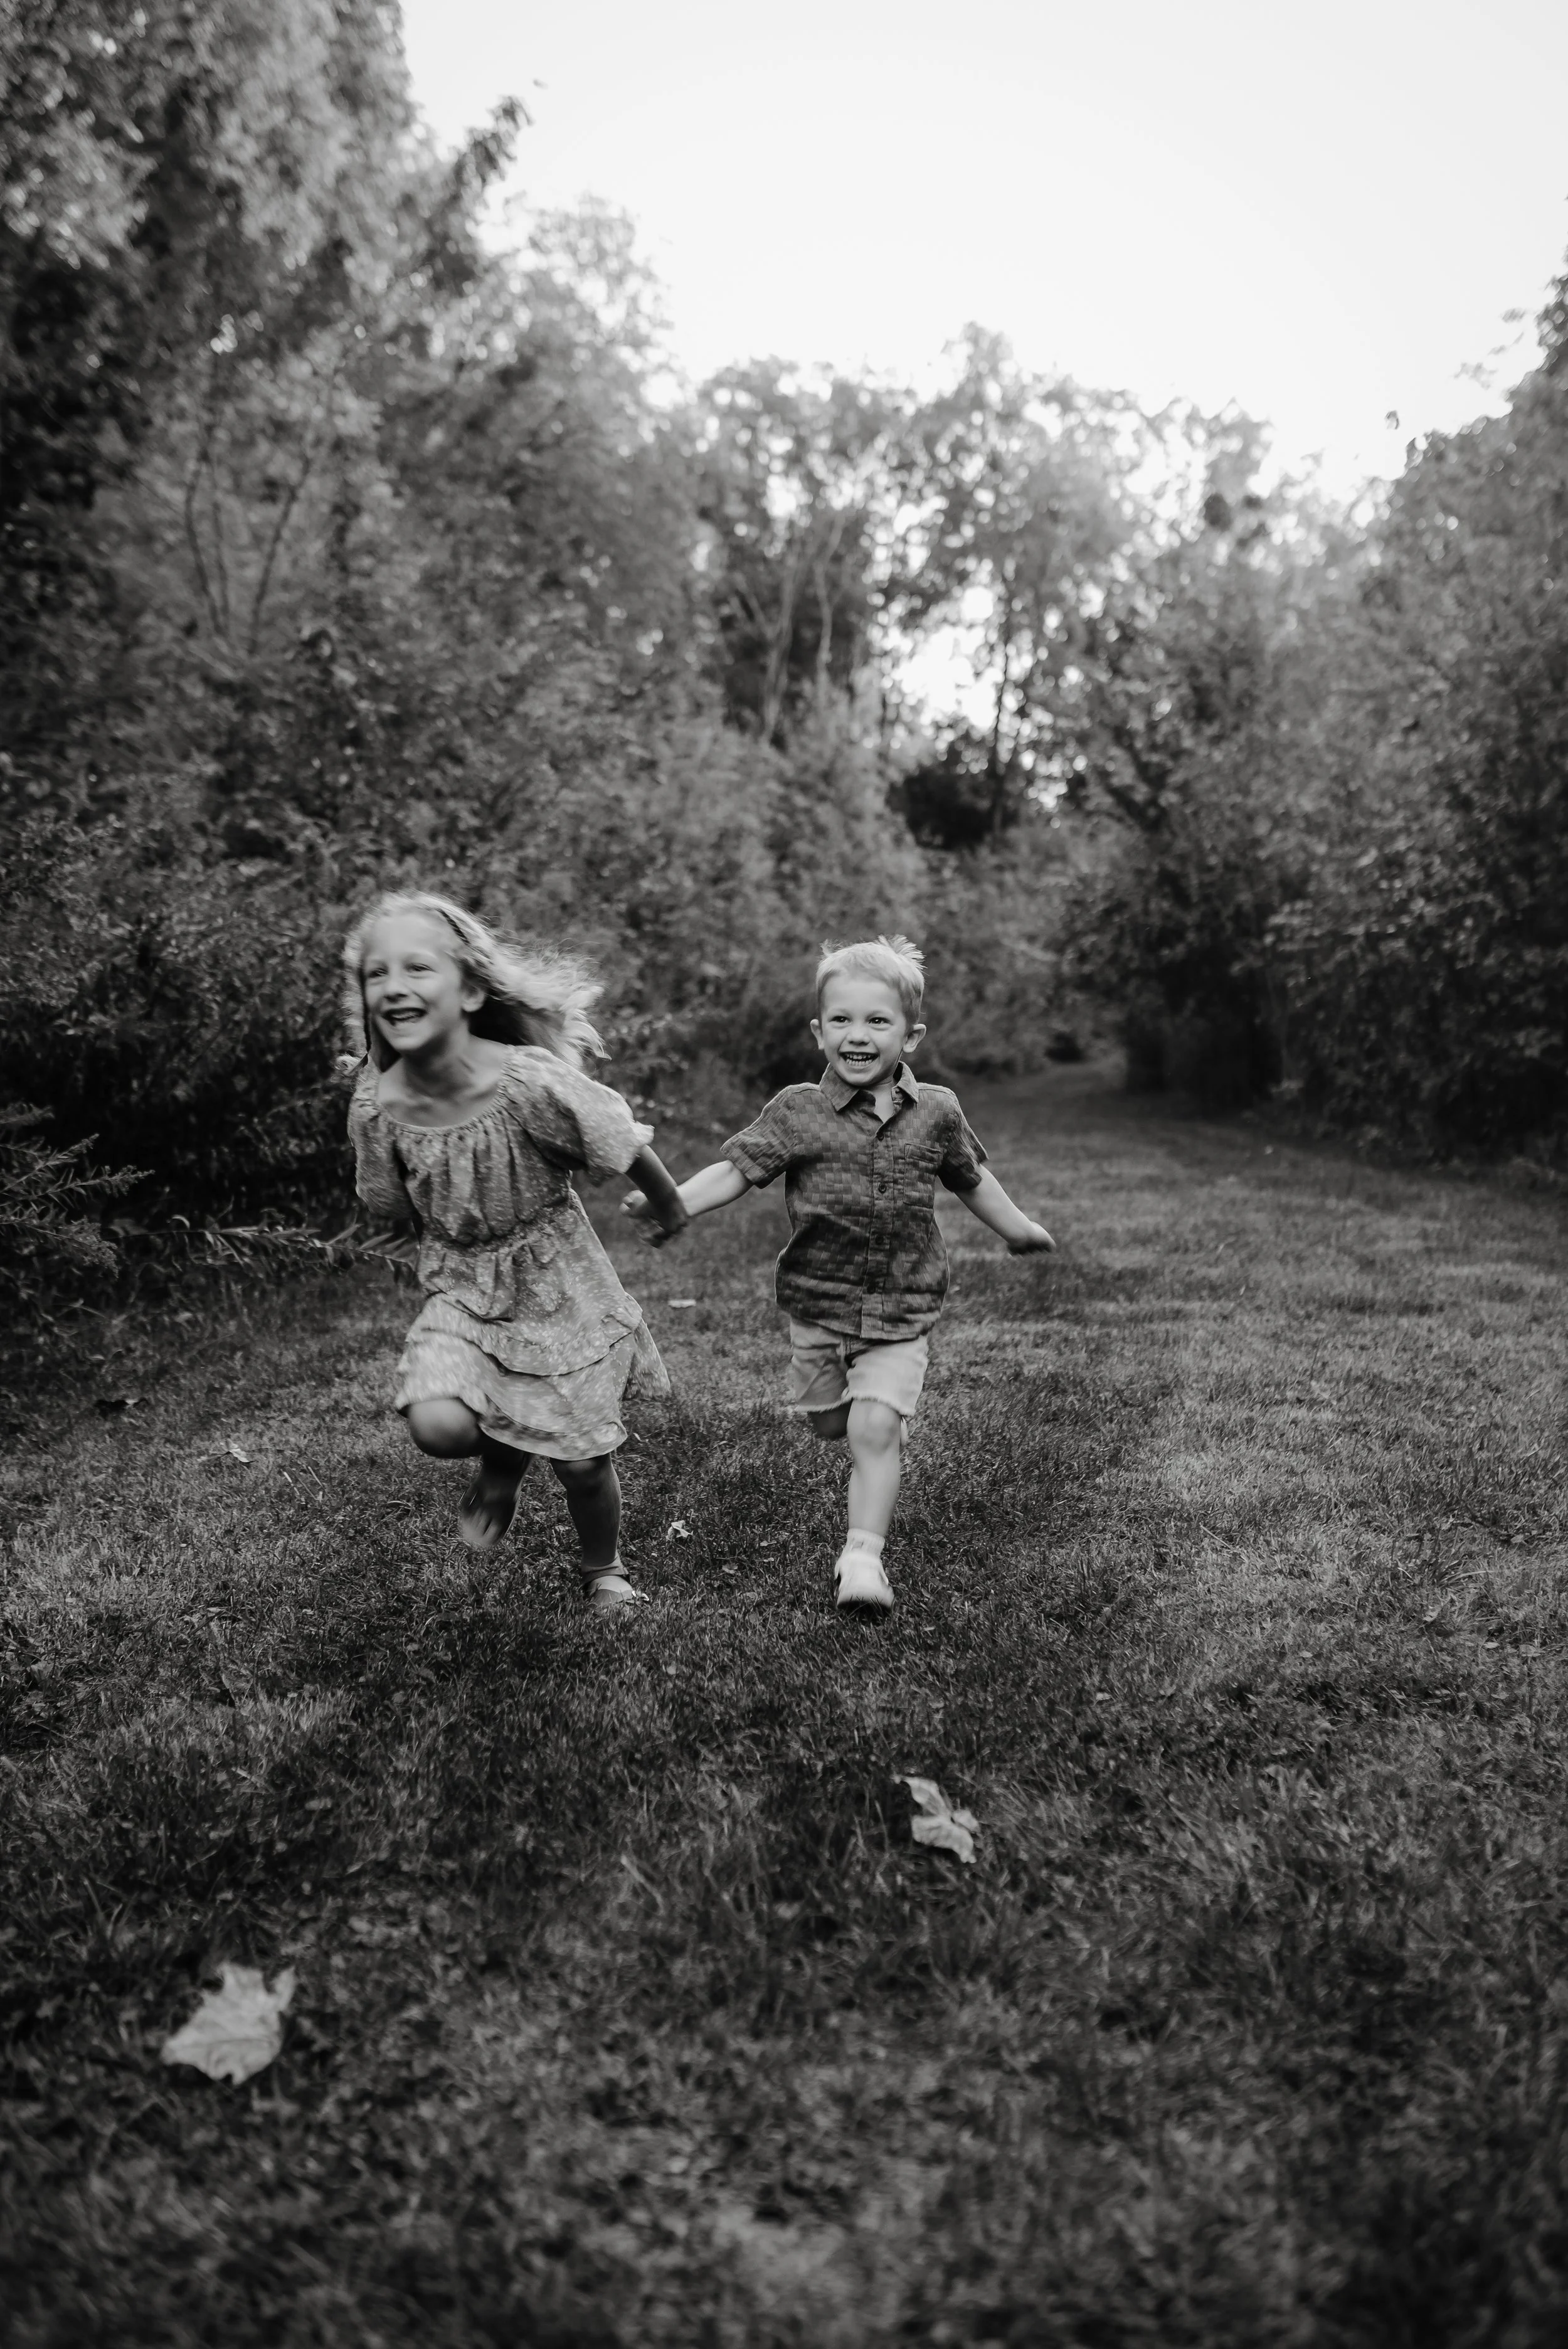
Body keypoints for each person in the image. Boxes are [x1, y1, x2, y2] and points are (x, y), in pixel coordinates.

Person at [624, 934, 1054, 1613]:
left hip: (903, 1304)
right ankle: (871, 1426)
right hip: (817, 1304)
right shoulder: (797, 1109)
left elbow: (973, 1179)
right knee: (832, 1427)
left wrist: (1017, 1228)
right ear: (818, 1030)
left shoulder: (937, 1112)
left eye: (877, 1021)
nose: (859, 1035)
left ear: (910, 1036)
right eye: (843, 1020)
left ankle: (862, 1558)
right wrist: (672, 1202)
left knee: (872, 1432)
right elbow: (736, 1171)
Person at [344, 891, 687, 1611]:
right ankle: (502, 1460)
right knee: (438, 1422)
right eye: (378, 974)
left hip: (560, 1281)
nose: (395, 986)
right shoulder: (376, 1102)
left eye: (417, 968)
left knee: (585, 1462)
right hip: (465, 1286)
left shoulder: (527, 1079)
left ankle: (604, 1570)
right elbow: (385, 1200)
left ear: (470, 990)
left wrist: (669, 1204)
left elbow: (614, 1137)